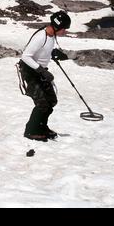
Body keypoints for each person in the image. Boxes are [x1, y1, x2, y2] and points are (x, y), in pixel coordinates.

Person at [18, 11, 71, 141]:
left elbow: (43, 50)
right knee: (42, 103)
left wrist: (54, 53)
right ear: (58, 26)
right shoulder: (41, 36)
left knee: (51, 100)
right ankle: (31, 131)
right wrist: (42, 70)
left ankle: (41, 126)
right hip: (30, 72)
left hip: (40, 71)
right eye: (64, 29)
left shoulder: (52, 36)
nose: (65, 32)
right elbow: (25, 56)